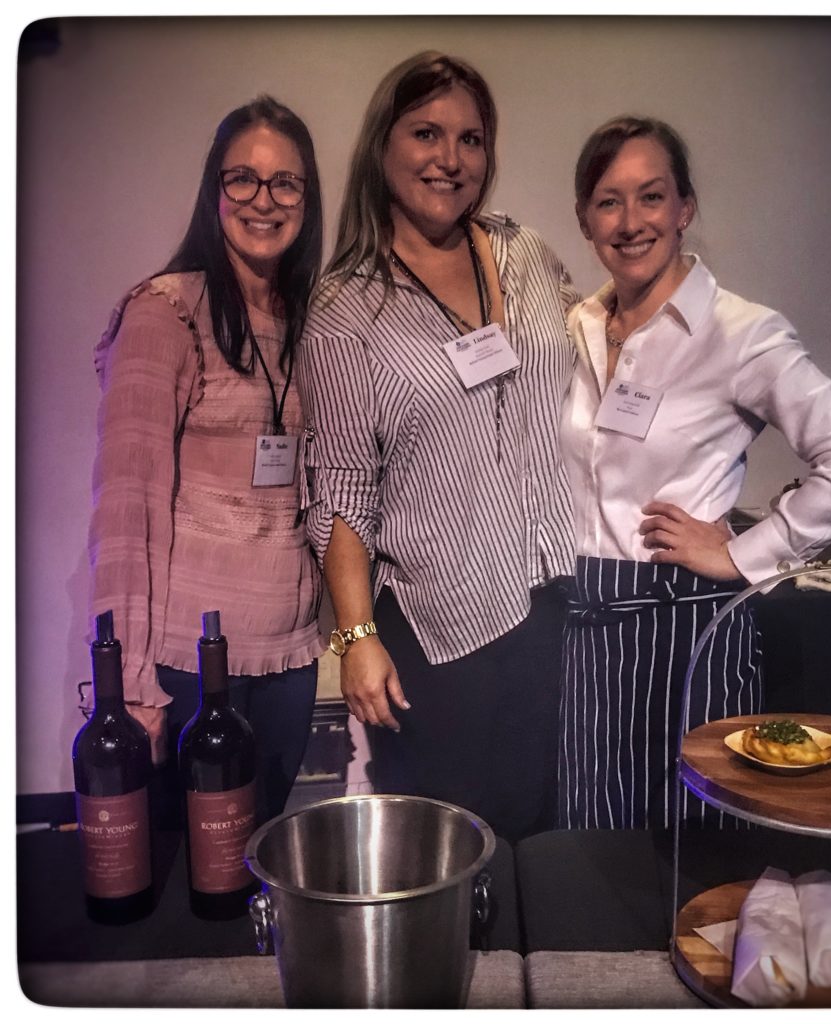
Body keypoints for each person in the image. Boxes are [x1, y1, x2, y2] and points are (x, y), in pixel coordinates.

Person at [558, 116, 831, 830]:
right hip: (584, 635)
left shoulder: (741, 333)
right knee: (595, 847)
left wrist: (743, 553)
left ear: (685, 209)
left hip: (688, 628)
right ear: (585, 219)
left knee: (692, 852)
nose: (630, 221)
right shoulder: (578, 325)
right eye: (608, 201)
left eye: (651, 197)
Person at [297, 52, 577, 842]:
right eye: (426, 133)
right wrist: (357, 641)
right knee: (453, 857)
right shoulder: (347, 309)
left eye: (470, 139)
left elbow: (597, 342)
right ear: (383, 144)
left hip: (555, 605)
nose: (449, 159)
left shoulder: (522, 251)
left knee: (552, 841)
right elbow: (343, 489)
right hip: (439, 630)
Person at [88, 96, 325, 827]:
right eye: (244, 179)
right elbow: (126, 507)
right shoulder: (166, 312)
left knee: (261, 864)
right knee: (198, 885)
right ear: (213, 190)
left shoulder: (308, 320)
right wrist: (129, 685)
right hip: (188, 665)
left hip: (290, 655)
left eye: (286, 182)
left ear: (307, 199)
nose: (265, 200)